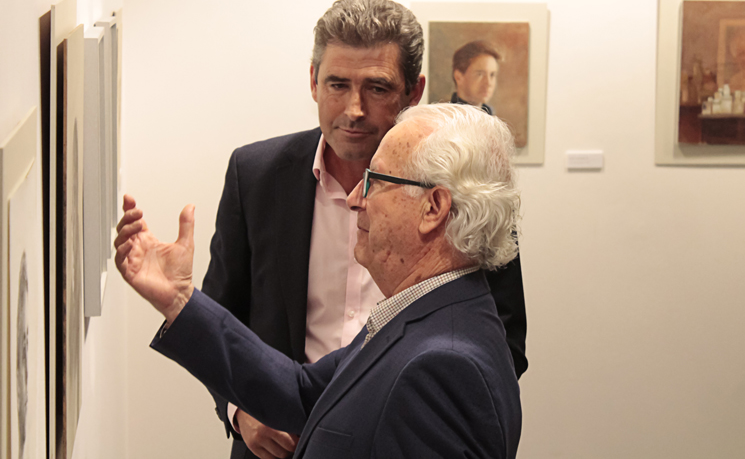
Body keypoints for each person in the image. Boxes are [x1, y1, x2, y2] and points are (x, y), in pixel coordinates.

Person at [200, 0, 527, 458]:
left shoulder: (467, 185)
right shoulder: (255, 174)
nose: (353, 109)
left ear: (414, 91)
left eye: (376, 88)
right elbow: (224, 314)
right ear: (313, 81)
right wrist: (241, 409)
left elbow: (500, 338)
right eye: (337, 84)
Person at [115, 103, 523, 459]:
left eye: (376, 181)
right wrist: (180, 300)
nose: (354, 199)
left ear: (433, 207)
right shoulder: (426, 313)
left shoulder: (442, 364)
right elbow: (302, 392)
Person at [450, 40, 501, 115]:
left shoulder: (489, 114)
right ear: (458, 77)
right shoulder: (448, 117)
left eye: (492, 75)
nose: (488, 83)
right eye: (480, 74)